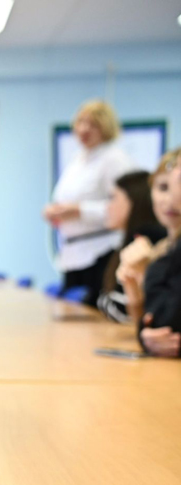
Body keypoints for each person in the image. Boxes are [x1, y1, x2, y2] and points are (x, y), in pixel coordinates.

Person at [44, 100, 133, 307]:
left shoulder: (114, 159)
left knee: (93, 314)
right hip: (73, 253)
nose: (84, 129)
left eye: (92, 124)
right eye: (81, 122)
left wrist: (81, 211)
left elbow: (125, 208)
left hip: (100, 252)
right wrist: (54, 212)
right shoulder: (78, 159)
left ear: (106, 127)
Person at [95, 170, 166, 322]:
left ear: (134, 202)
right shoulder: (127, 242)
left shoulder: (146, 241)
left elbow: (122, 311)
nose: (107, 207)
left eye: (113, 198)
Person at [138, 149, 181, 357]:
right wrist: (145, 335)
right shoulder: (161, 251)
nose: (170, 199)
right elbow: (155, 317)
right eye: (163, 187)